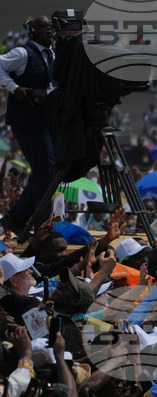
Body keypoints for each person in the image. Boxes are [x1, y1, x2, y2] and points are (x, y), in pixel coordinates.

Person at [0, 15, 57, 234]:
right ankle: (41, 222)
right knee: (46, 168)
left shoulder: (52, 54)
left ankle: (18, 217)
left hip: (46, 121)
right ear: (32, 32)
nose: (49, 30)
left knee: (47, 171)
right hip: (27, 122)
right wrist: (14, 88)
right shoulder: (23, 53)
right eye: (44, 27)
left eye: (51, 27)